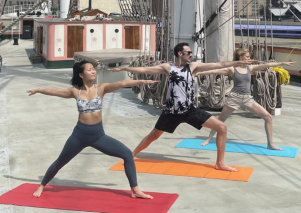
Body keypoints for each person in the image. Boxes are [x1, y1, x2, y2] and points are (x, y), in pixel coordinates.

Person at [109, 42, 256, 172]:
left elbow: (220, 64)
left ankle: (220, 163)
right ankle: (131, 156)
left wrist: (238, 62)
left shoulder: (193, 67)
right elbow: (145, 70)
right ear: (180, 53)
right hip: (171, 112)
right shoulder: (168, 67)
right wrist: (123, 69)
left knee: (222, 127)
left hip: (190, 110)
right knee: (153, 135)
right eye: (189, 52)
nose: (191, 55)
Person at [27, 60, 157, 199]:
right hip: (79, 135)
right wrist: (39, 90)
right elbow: (55, 91)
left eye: (93, 69)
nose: (93, 71)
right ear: (81, 75)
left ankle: (135, 189)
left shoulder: (101, 88)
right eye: (89, 69)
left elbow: (122, 83)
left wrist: (142, 81)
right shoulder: (75, 91)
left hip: (98, 136)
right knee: (61, 161)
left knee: (126, 154)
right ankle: (42, 185)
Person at [196, 48, 295, 150]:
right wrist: (199, 72)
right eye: (247, 56)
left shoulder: (250, 68)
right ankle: (208, 139)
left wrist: (283, 63)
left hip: (247, 98)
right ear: (240, 57)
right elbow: (215, 70)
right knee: (221, 120)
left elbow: (267, 65)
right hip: (234, 98)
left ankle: (270, 144)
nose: (249, 58)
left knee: (268, 117)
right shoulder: (232, 69)